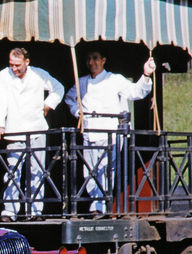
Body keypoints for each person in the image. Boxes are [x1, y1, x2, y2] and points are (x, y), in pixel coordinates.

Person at [64, 49, 156, 213]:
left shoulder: (114, 79)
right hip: (89, 132)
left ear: (103, 60)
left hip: (110, 134)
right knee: (89, 171)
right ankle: (97, 204)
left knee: (106, 170)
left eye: (95, 58)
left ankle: (100, 206)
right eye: (89, 59)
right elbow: (69, 98)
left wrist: (146, 75)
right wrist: (78, 112)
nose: (91, 62)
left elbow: (136, 92)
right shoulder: (82, 82)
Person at [0, 47, 64, 220]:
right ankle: (10, 211)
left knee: (37, 170)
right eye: (11, 64)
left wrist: (47, 105)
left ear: (27, 62)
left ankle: (35, 211)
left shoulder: (38, 74)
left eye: (17, 65)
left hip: (37, 129)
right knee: (13, 171)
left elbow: (58, 88)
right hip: (15, 130)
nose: (14, 68)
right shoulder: (4, 75)